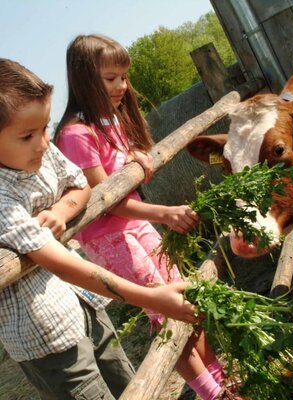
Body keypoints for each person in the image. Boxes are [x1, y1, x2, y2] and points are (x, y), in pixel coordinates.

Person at [0, 57, 201, 400]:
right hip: (46, 335)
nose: (45, 142)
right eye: (28, 135)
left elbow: (80, 186)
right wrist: (152, 298)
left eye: (46, 128)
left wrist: (61, 209)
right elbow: (60, 263)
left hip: (86, 305)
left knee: (126, 382)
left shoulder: (40, 152)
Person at [54, 34, 241, 400]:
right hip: (109, 236)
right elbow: (105, 200)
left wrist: (138, 158)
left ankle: (221, 379)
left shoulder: (110, 121)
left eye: (124, 77)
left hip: (137, 224)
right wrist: (164, 212)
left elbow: (125, 174)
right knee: (164, 310)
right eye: (112, 78)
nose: (122, 86)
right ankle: (211, 393)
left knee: (187, 299)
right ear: (84, 79)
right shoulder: (75, 134)